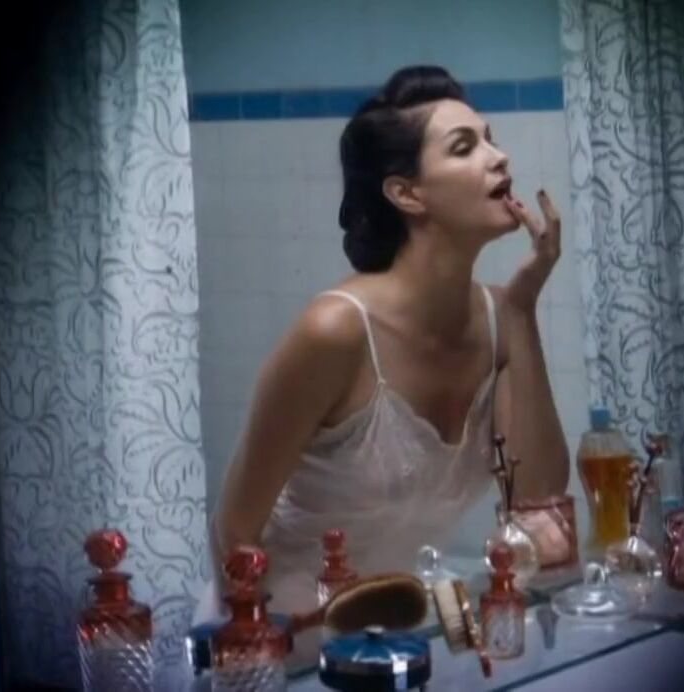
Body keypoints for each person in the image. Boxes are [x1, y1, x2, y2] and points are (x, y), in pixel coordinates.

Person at [198, 65, 569, 622]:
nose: (500, 157)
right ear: (406, 193)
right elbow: (235, 529)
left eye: (491, 140)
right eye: (465, 147)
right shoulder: (335, 332)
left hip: (391, 633)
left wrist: (522, 311)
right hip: (281, 634)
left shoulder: (501, 320)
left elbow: (538, 502)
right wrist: (265, 649)